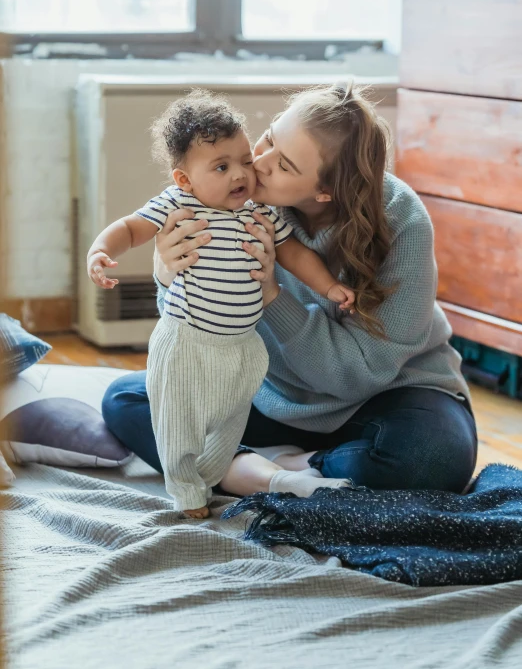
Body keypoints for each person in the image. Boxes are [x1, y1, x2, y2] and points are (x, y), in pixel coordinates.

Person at [102, 82, 477, 507]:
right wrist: (167, 275)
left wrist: (272, 296)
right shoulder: (225, 198)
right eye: (268, 139)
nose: (254, 165)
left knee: (432, 460)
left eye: (282, 165)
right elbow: (196, 333)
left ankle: (258, 469)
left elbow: (357, 376)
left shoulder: (402, 221)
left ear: (324, 192)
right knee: (125, 399)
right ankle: (277, 475)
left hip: (385, 397)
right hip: (268, 394)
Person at [88, 90, 354, 518]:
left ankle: (218, 470)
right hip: (187, 341)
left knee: (228, 420)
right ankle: (187, 490)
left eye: (245, 160)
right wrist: (100, 251)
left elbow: (295, 255)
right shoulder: (179, 204)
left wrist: (329, 287)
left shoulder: (259, 214)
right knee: (178, 420)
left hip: (242, 347)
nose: (240, 175)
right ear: (184, 180)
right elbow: (130, 228)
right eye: (221, 166)